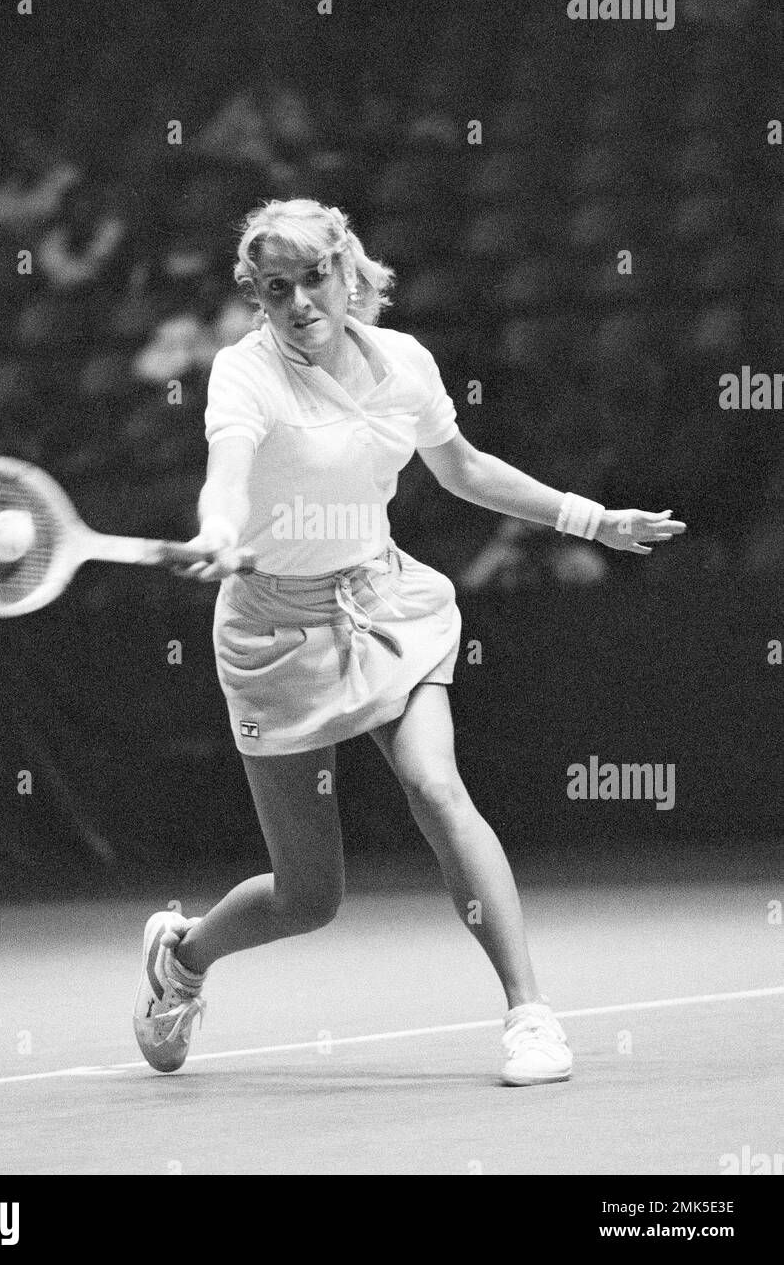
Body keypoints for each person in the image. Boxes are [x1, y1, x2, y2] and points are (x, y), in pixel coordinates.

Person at [133, 198, 686, 1085]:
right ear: (258, 298)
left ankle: (530, 1017)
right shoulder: (244, 376)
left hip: (384, 605)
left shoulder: (403, 364)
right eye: (279, 289)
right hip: (273, 632)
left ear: (351, 271)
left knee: (436, 784)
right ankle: (184, 956)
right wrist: (215, 528)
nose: (303, 302)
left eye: (317, 278)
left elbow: (462, 468)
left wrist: (592, 519)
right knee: (311, 898)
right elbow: (226, 478)